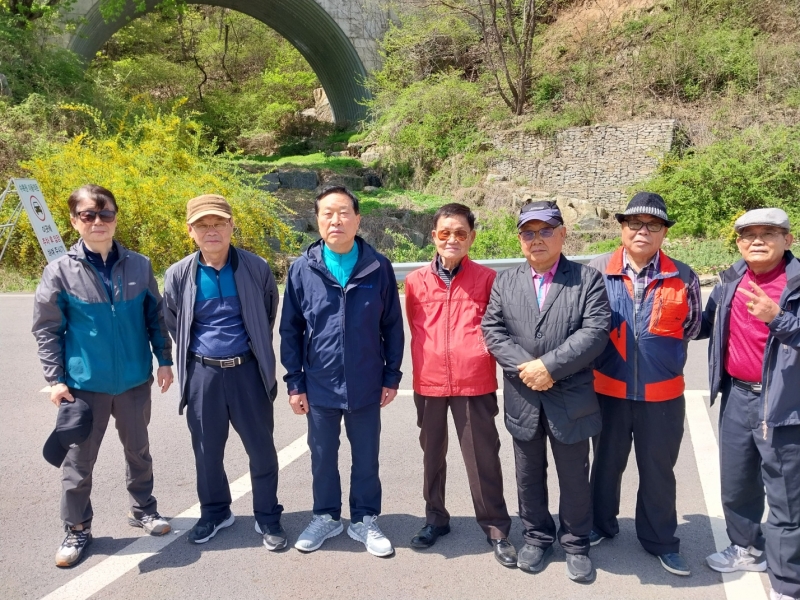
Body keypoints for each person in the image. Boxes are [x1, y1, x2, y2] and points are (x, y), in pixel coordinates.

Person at [32, 184, 174, 568]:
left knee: (138, 451)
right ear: (74, 221)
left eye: (105, 213)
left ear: (115, 218)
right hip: (83, 387)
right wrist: (56, 379)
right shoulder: (59, 271)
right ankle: (77, 528)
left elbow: (155, 317)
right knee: (78, 464)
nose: (98, 221)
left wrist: (164, 359)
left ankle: (143, 509)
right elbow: (47, 329)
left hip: (133, 381)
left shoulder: (140, 265)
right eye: (88, 215)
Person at [481, 200, 610, 582]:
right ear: (520, 239)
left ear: (563, 234)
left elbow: (595, 332)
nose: (537, 239)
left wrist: (548, 367)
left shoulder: (587, 280)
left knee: (574, 477)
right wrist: (529, 368)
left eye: (546, 230)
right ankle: (536, 537)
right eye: (528, 232)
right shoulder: (506, 281)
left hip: (570, 398)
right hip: (524, 397)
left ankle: (576, 543)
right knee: (527, 475)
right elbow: (493, 330)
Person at [280, 185, 404, 557]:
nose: (336, 220)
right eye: (328, 213)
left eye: (344, 212)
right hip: (319, 383)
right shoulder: (303, 269)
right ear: (318, 220)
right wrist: (295, 382)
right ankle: (326, 516)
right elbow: (290, 330)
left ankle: (364, 519)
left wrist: (392, 375)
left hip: (366, 382)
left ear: (357, 219)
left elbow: (392, 326)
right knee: (322, 457)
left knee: (366, 457)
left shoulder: (377, 266)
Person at [588, 192, 702, 577]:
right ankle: (600, 524)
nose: (643, 231)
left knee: (658, 472)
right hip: (608, 392)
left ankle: (660, 541)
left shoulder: (684, 276)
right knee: (605, 465)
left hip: (662, 396)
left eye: (653, 225)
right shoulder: (596, 271)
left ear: (664, 232)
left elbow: (691, 328)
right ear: (622, 228)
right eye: (634, 223)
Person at [162, 194, 284, 549]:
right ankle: (215, 512)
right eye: (202, 225)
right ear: (190, 231)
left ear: (232, 226)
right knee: (207, 451)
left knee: (262, 450)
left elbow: (267, 313)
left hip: (248, 371)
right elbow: (174, 321)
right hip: (203, 375)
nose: (211, 230)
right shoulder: (178, 274)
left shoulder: (256, 268)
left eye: (218, 223)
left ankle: (268, 516)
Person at [405, 203, 516, 567]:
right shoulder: (415, 282)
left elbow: (499, 329)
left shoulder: (487, 279)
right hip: (429, 383)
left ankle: (496, 527)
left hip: (475, 382)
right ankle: (435, 518)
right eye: (444, 233)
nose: (452, 239)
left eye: (460, 233)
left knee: (483, 458)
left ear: (471, 237)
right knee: (432, 456)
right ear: (433, 237)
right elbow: (414, 327)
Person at [699, 208, 800, 600]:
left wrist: (779, 318)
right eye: (748, 234)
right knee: (737, 483)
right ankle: (747, 548)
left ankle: (788, 582)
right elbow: (706, 324)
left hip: (785, 402)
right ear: (739, 242)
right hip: (738, 395)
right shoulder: (731, 279)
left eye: (768, 232)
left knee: (786, 496)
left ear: (787, 239)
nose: (757, 240)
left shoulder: (796, 283)